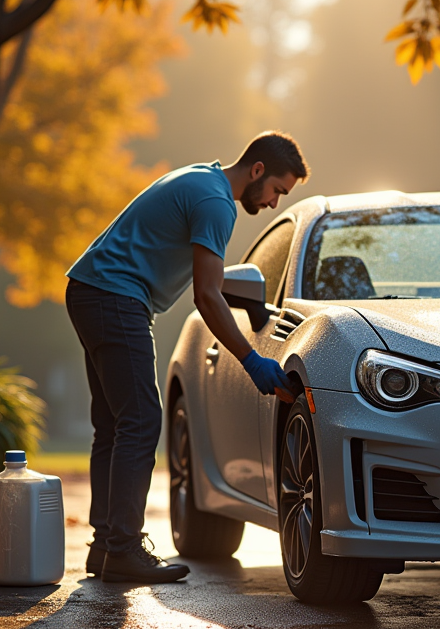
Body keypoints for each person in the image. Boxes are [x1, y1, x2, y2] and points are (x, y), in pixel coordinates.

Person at [65, 131, 306, 583]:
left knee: (115, 425)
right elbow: (208, 295)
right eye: (277, 189)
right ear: (257, 171)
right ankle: (122, 549)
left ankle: (106, 547)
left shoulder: (203, 178)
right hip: (115, 295)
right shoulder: (217, 203)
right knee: (139, 420)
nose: (274, 202)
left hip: (90, 289)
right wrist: (252, 361)